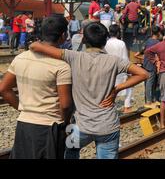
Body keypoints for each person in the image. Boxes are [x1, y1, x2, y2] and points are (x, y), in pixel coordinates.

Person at [29, 22, 148, 159]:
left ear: (84, 40)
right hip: (107, 126)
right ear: (105, 41)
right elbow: (143, 74)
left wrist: (34, 43)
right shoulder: (114, 61)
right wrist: (116, 89)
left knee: (70, 152)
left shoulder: (73, 56)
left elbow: (36, 46)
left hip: (79, 126)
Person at [0, 15, 72, 159]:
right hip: (50, 127)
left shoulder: (21, 58)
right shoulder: (61, 66)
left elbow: (3, 89)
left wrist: (22, 107)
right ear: (63, 36)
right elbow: (65, 105)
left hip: (24, 125)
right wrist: (65, 124)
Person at [105, 25, 135, 114]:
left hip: (108, 69)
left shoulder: (105, 43)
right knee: (129, 86)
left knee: (109, 89)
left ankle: (109, 106)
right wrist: (129, 72)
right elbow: (125, 58)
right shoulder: (121, 43)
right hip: (119, 70)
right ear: (118, 33)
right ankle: (127, 106)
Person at [135, 26, 161, 108]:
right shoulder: (158, 43)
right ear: (158, 33)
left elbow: (137, 54)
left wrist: (144, 58)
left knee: (148, 83)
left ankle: (151, 100)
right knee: (150, 83)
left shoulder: (147, 41)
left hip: (145, 65)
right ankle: (149, 102)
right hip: (152, 65)